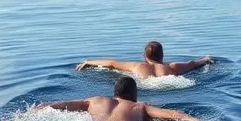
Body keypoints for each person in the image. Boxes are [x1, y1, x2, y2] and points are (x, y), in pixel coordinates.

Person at [40, 76, 205, 121]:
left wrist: (39, 107)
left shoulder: (94, 100)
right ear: (134, 94)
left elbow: (62, 105)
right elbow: (173, 114)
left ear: (114, 92)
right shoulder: (141, 107)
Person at [76, 41, 214, 78]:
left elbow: (111, 64)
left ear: (145, 56)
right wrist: (207, 58)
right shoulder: (174, 67)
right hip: (172, 83)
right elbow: (194, 63)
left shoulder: (137, 67)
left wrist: (89, 62)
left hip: (146, 85)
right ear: (162, 56)